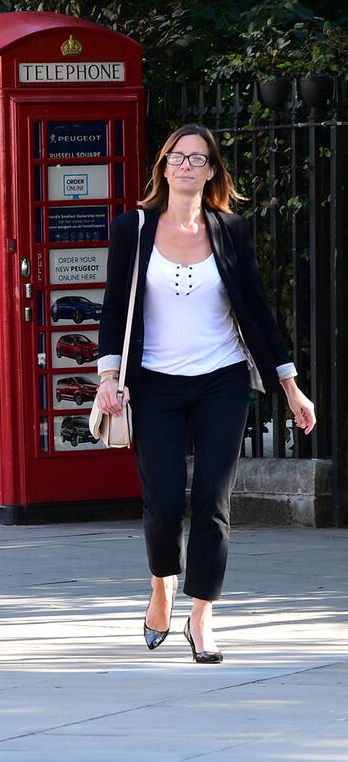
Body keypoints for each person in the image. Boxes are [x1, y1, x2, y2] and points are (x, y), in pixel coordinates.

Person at [94, 123, 316, 664]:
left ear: (212, 171)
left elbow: (258, 313)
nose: (187, 166)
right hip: (154, 384)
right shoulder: (133, 228)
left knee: (214, 503)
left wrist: (291, 387)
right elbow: (113, 309)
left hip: (222, 380)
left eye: (199, 159)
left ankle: (201, 617)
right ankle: (161, 587)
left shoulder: (229, 229)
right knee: (165, 501)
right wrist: (106, 379)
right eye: (178, 156)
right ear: (164, 166)